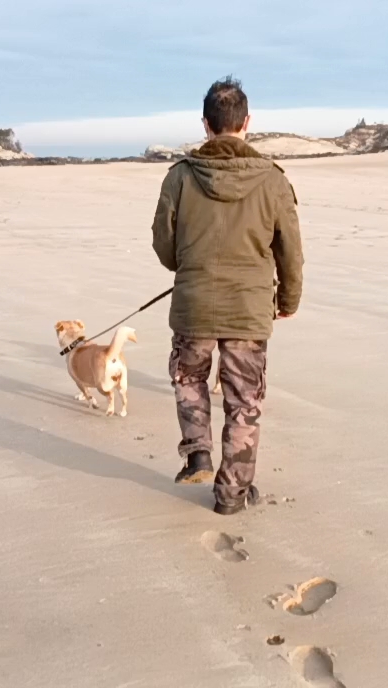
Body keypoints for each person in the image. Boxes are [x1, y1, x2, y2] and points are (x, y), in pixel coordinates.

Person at [151, 76, 304, 515]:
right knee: (243, 402)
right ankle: (232, 495)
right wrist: (288, 301)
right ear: (247, 123)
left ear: (206, 125)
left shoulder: (180, 176)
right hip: (248, 307)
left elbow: (164, 241)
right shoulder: (272, 180)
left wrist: (187, 267)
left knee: (188, 377)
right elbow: (290, 249)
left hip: (195, 301)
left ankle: (198, 451)